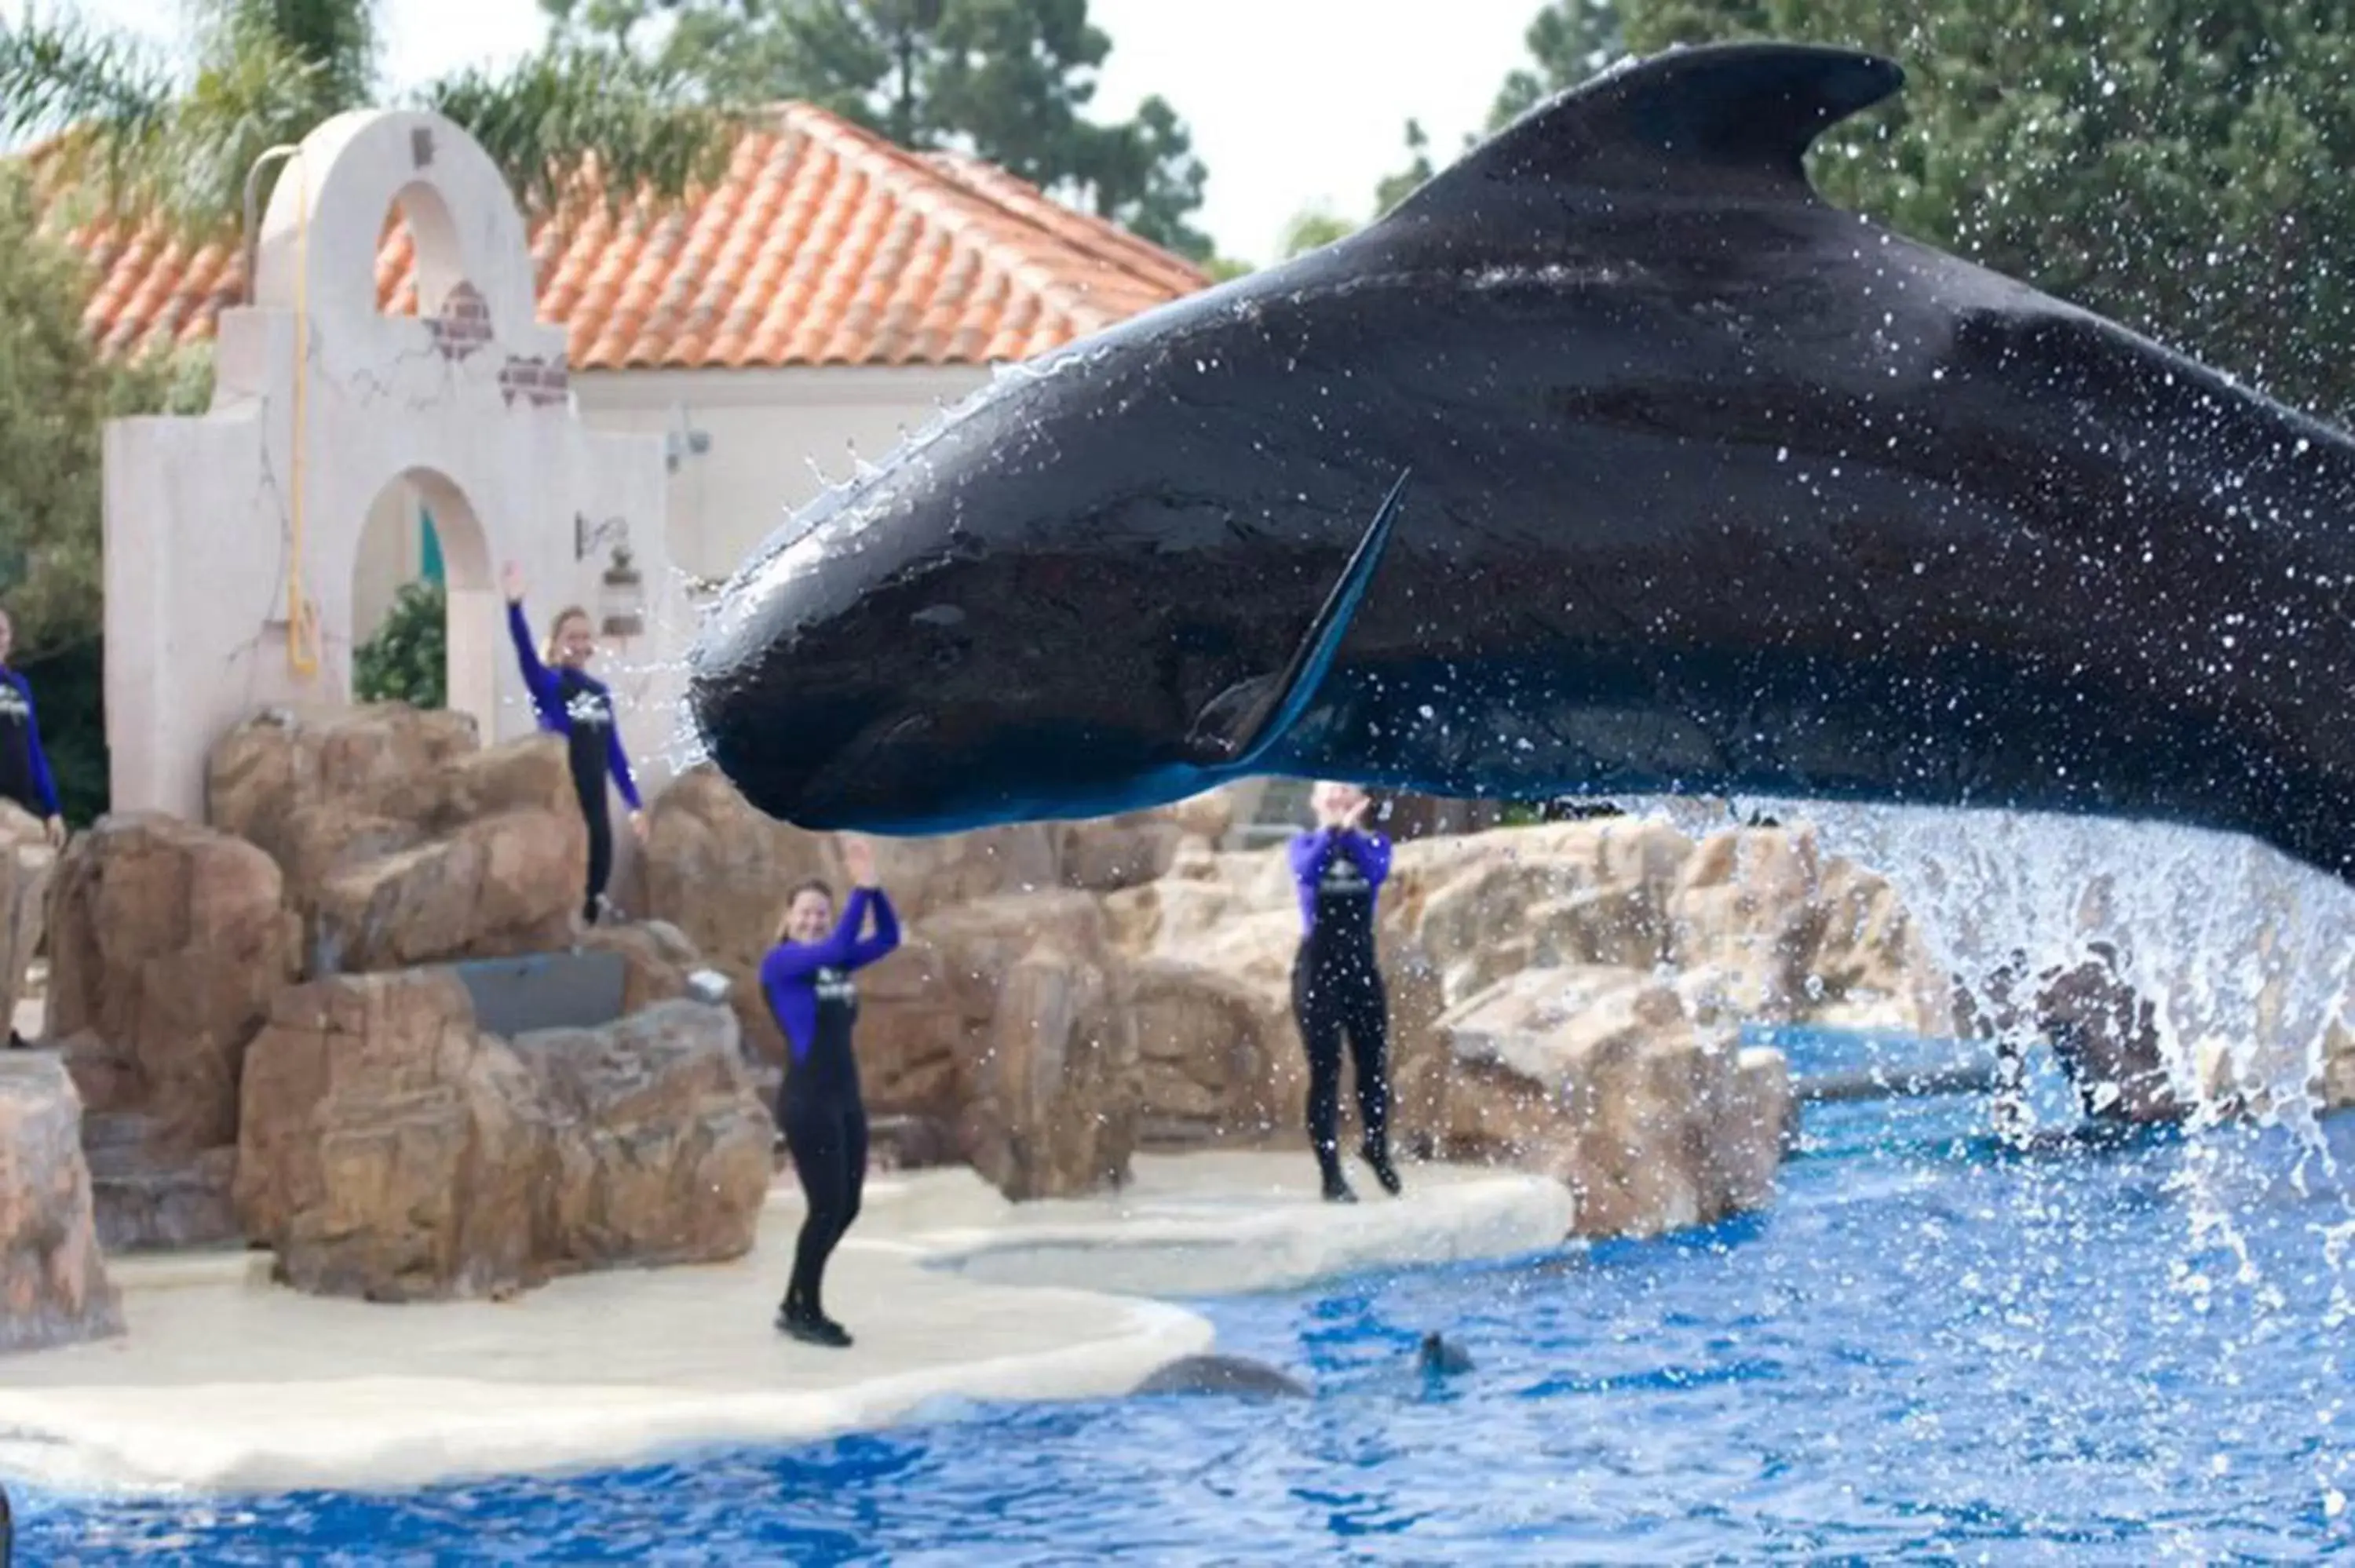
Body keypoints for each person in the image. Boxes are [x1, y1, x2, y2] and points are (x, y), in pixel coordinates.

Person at [761, 834, 900, 1347]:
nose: (814, 921)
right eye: (806, 913)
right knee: (825, 1207)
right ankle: (806, 1311)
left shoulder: (833, 963)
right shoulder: (780, 965)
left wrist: (875, 886)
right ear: (788, 917)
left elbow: (887, 937)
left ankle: (793, 1301)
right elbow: (843, 943)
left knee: (847, 1207)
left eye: (822, 913)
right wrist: (860, 888)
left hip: (845, 1100)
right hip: (808, 1104)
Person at [501, 563, 645, 925]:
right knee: (567, 873)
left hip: (595, 797)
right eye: (572, 637)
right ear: (558, 642)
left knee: (599, 867)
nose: (580, 644)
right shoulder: (548, 685)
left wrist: (634, 804)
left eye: (585, 637)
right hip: (563, 798)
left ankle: (590, 928)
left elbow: (614, 752)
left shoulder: (599, 693)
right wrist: (515, 609)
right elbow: (523, 654)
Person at [1287, 779, 1402, 1203]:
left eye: (1346, 792)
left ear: (1362, 801)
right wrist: (1335, 833)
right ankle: (1331, 1173)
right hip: (1317, 969)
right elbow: (1309, 871)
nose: (1338, 799)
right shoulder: (1303, 845)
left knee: (1373, 1064)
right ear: (1315, 801)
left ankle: (1376, 1144)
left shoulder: (1376, 845)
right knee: (1326, 1071)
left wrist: (1350, 834)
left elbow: (1376, 871)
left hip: (1361, 966)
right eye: (1330, 793)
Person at [0, 610, 67, 850]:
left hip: (17, 803)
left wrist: (53, 809)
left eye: (2, 632)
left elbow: (33, 748)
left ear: (10, 638)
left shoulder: (20, 686)